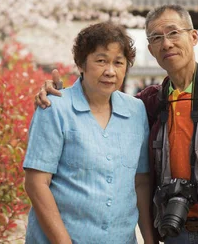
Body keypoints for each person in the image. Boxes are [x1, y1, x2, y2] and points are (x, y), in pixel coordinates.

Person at [35, 5, 198, 244]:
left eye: (173, 33)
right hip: (174, 231)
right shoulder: (148, 103)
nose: (166, 43)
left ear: (193, 37)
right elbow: (99, 97)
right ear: (150, 49)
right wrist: (59, 93)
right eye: (157, 38)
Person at [23, 22, 155, 243]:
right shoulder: (54, 108)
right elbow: (36, 183)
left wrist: (150, 241)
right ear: (81, 63)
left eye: (118, 62)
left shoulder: (136, 111)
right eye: (101, 60)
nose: (110, 71)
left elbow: (140, 182)